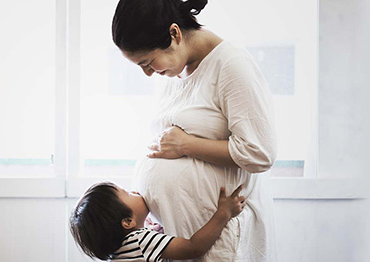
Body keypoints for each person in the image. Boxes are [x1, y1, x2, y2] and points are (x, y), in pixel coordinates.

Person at [111, 0, 277, 261]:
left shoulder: (230, 65)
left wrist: (186, 145)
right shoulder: (176, 71)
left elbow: (260, 153)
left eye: (148, 62)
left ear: (174, 34)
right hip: (180, 237)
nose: (147, 73)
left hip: (221, 238)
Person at [69, 181, 246, 261]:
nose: (135, 191)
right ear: (128, 222)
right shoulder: (139, 241)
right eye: (127, 193)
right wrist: (223, 213)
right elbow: (194, 247)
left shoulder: (121, 252)